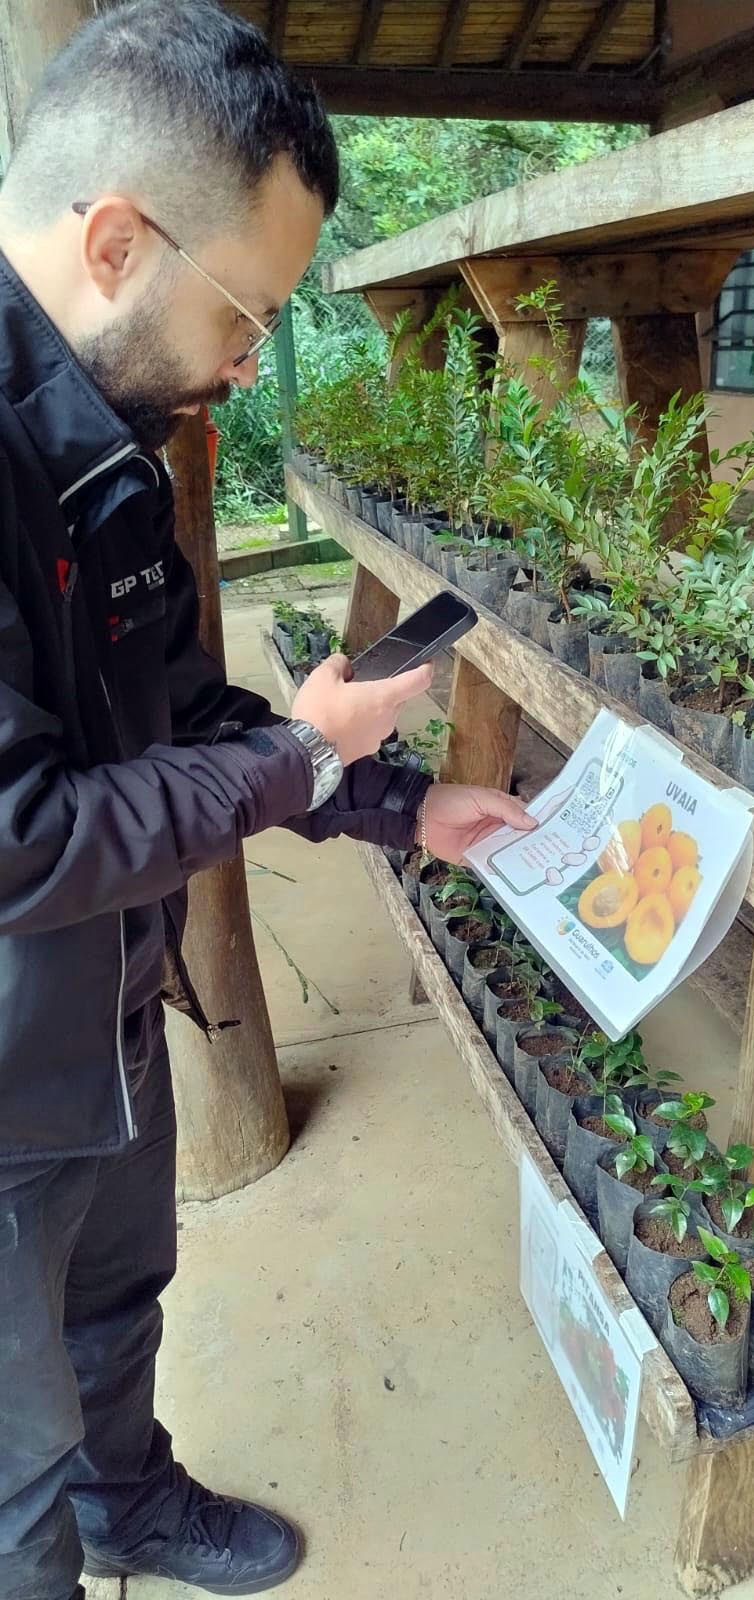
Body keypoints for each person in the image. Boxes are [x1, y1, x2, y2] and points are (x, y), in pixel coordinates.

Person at [0, 5, 535, 1597]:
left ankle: (133, 1504)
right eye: (249, 312)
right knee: (8, 1473)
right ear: (116, 242)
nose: (249, 360)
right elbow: (24, 836)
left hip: (103, 1002)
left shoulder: (109, 439)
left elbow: (188, 712)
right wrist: (302, 758)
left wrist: (396, 803)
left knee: (117, 1302)